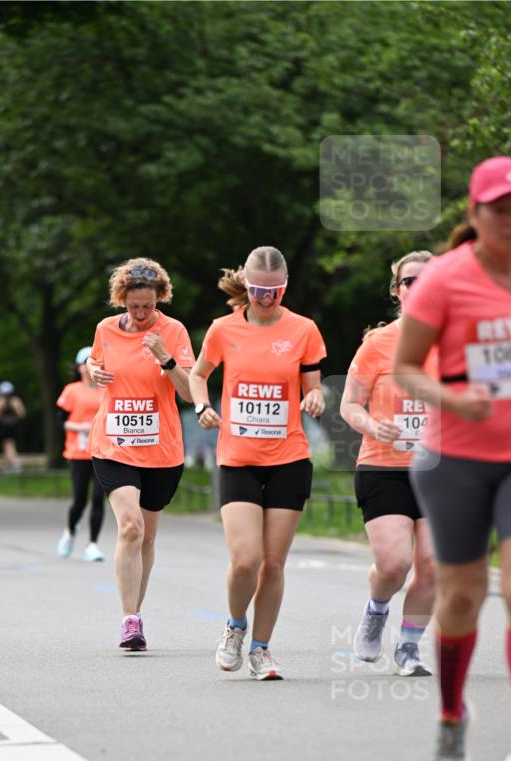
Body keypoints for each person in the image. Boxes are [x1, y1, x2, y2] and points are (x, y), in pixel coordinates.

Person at [395, 156, 511, 761]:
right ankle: (449, 715)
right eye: (500, 209)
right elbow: (406, 368)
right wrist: (453, 398)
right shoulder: (445, 278)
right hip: (456, 457)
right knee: (462, 595)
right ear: (475, 212)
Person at [189, 245, 326, 680]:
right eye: (258, 291)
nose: (266, 299)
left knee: (273, 562)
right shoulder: (223, 329)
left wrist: (315, 397)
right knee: (246, 559)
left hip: (289, 457)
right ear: (246, 287)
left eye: (275, 291)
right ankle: (235, 626)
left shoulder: (303, 330)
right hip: (238, 458)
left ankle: (262, 650)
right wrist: (201, 406)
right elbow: (197, 374)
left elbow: (312, 385)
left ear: (285, 287)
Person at [86, 257, 195, 650]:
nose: (142, 313)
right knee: (130, 526)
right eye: (134, 306)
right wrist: (93, 373)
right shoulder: (105, 329)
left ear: (159, 298)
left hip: (161, 449)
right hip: (114, 444)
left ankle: (136, 608)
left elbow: (190, 392)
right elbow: (96, 365)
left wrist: (166, 357)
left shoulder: (174, 331)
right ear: (122, 300)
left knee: (147, 537)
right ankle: (129, 620)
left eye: (148, 305)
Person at [340, 251, 436, 676]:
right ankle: (377, 610)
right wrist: (373, 426)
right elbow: (349, 405)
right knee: (395, 564)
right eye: (410, 281)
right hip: (384, 467)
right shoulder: (377, 344)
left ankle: (409, 648)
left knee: (434, 565)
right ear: (398, 291)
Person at [56, 346, 106, 561]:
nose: (90, 367)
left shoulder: (107, 388)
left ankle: (93, 544)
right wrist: (81, 427)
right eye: (86, 363)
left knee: (98, 499)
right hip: (78, 452)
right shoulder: (72, 390)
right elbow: (61, 421)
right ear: (79, 368)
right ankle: (70, 531)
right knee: (80, 500)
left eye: (94, 363)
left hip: (103, 452)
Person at [0, 381, 25, 471]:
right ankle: (10, 463)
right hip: (11, 425)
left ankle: (13, 463)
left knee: (8, 444)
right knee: (9, 444)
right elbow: (22, 414)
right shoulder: (16, 400)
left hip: (7, 425)